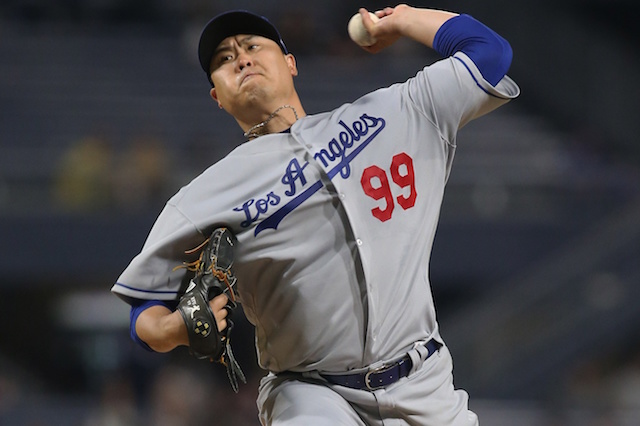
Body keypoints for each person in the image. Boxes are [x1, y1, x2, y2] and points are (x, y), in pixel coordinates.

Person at [112, 5, 520, 425]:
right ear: (217, 95)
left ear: (291, 63)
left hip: (425, 382)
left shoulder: (393, 115)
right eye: (224, 59)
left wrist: (401, 20)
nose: (242, 58)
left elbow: (489, 53)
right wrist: (171, 330)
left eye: (252, 46)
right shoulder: (204, 196)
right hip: (310, 392)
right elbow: (145, 306)